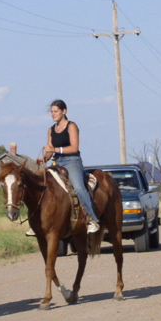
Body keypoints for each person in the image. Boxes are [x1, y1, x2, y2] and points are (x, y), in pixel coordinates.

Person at [42, 99, 100, 233]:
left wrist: (55, 149)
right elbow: (50, 151)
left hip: (72, 161)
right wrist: (43, 159)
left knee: (79, 188)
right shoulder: (51, 130)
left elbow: (74, 147)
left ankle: (91, 219)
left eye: (56, 111)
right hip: (56, 162)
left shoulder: (71, 126)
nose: (53, 114)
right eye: (51, 112)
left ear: (64, 111)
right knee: (43, 185)